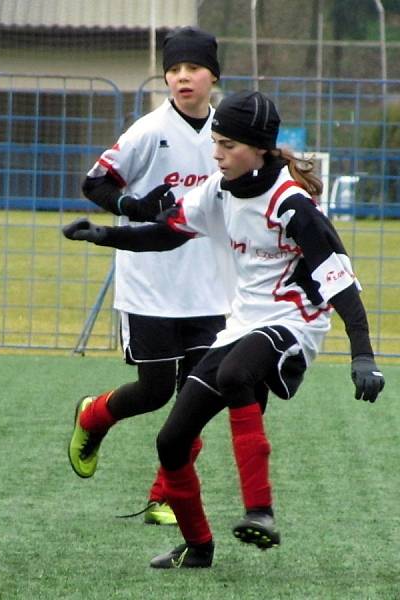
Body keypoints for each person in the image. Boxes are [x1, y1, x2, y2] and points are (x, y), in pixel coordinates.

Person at [63, 90, 385, 568]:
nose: (217, 153)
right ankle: (198, 547)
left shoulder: (292, 205)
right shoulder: (219, 188)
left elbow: (341, 284)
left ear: (259, 148)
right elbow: (168, 232)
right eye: (215, 142)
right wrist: (107, 236)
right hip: (242, 324)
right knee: (170, 441)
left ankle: (261, 512)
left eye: (228, 145)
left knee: (236, 375)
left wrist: (363, 355)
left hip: (293, 324)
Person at [68, 26, 234, 526]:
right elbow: (93, 183)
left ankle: (166, 493)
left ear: (213, 76)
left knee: (201, 399)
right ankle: (93, 416)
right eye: (174, 69)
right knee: (156, 391)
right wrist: (133, 205)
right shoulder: (148, 130)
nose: (183, 77)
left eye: (194, 68)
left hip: (212, 289)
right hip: (151, 287)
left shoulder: (228, 132)